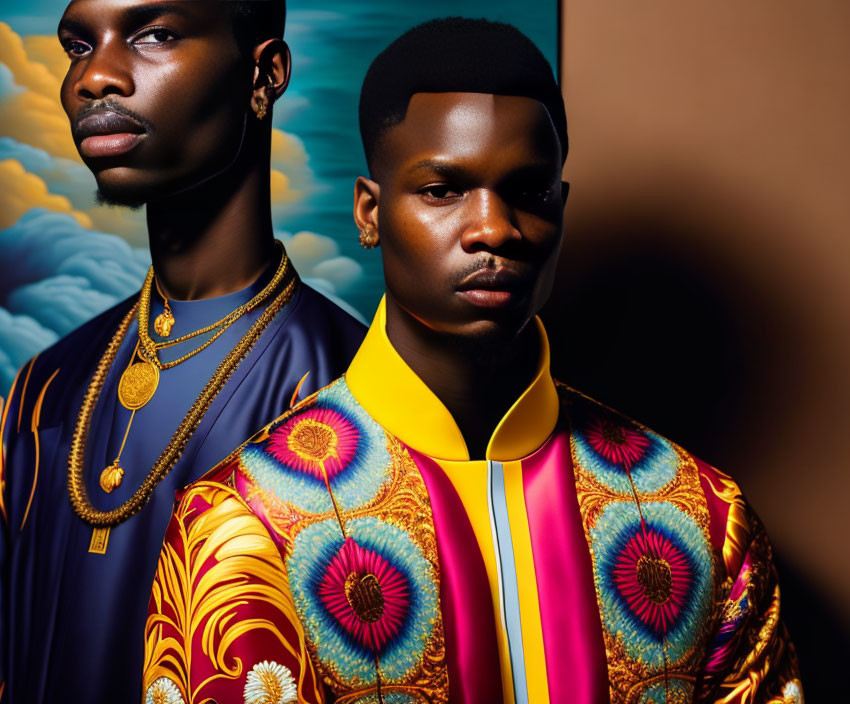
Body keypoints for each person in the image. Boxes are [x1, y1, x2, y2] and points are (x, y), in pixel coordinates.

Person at [141, 17, 802, 704]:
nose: (494, 228)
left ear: (562, 211)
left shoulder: (704, 517)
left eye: (529, 192)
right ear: (369, 213)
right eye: (442, 190)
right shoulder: (246, 525)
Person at [0, 1, 365, 701]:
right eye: (79, 45)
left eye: (155, 35)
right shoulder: (46, 386)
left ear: (265, 75)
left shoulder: (350, 388)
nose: (94, 78)